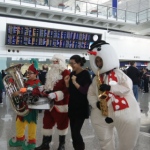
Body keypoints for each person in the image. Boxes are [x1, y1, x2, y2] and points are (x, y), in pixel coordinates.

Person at [87, 40, 140, 150]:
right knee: (105, 141)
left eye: (100, 60)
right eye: (96, 61)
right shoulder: (96, 79)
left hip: (122, 110)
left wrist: (110, 88)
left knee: (127, 142)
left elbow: (127, 88)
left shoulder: (119, 74)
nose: (98, 63)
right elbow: (91, 93)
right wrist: (95, 103)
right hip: (103, 113)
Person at [35, 54, 70, 150]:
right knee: (47, 122)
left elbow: (68, 89)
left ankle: (61, 145)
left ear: (61, 62)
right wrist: (44, 88)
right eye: (53, 61)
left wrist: (56, 94)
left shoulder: (66, 72)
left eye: (56, 61)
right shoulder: (50, 72)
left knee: (62, 124)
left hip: (61, 104)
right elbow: (49, 85)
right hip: (49, 103)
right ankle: (45, 144)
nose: (54, 63)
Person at [9, 59, 41, 150]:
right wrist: (12, 80)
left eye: (31, 73)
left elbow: (34, 91)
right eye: (28, 72)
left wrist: (20, 91)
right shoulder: (26, 82)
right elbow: (21, 87)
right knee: (19, 123)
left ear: (36, 74)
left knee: (32, 126)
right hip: (22, 107)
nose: (28, 74)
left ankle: (31, 142)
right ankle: (20, 139)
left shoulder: (37, 83)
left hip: (31, 108)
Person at [64, 55, 92, 150]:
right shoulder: (72, 74)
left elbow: (85, 91)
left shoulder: (85, 74)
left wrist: (75, 82)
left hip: (81, 107)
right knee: (73, 132)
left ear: (79, 63)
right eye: (70, 63)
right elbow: (70, 92)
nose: (72, 65)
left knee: (76, 131)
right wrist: (67, 84)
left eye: (73, 63)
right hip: (72, 106)